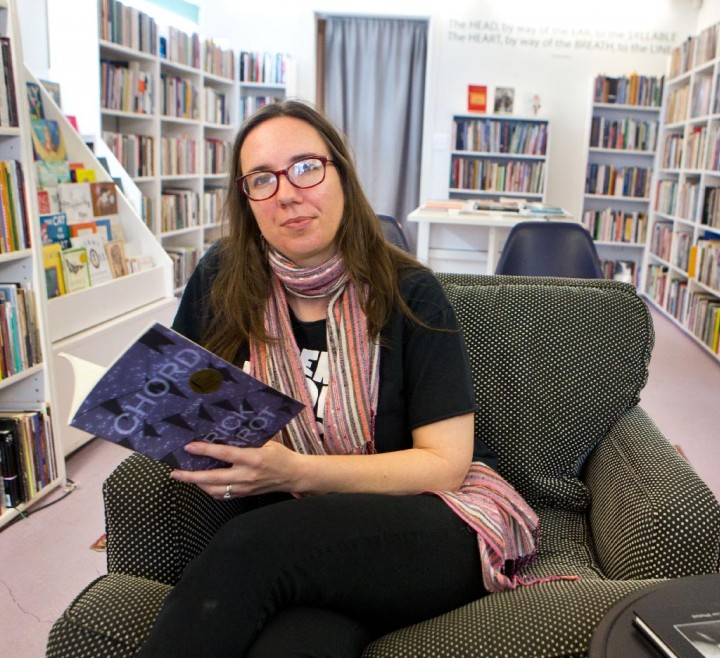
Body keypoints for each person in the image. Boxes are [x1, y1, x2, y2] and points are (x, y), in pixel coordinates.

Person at [136, 100, 546, 657]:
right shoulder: (219, 280)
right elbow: (179, 414)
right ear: (246, 200)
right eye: (262, 179)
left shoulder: (411, 291)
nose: (286, 192)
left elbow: (445, 465)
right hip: (301, 533)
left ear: (342, 177)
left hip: (424, 515)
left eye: (306, 167)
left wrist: (294, 468)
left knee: (249, 547)